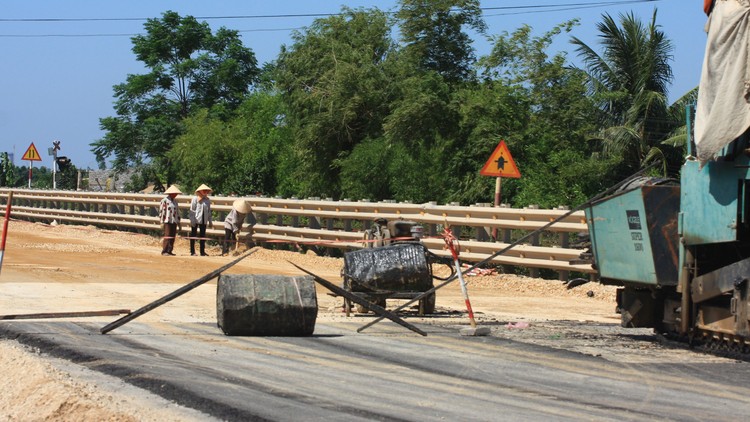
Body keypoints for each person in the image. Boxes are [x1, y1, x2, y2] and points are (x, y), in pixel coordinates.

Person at [189, 184, 213, 256]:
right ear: (200, 191)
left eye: (206, 191)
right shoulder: (195, 199)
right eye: (204, 190)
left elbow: (209, 211)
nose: (205, 192)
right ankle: (192, 251)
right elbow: (192, 210)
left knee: (203, 236)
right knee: (193, 235)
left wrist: (210, 221)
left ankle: (202, 251)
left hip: (204, 220)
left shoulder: (207, 200)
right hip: (196, 219)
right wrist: (192, 220)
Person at [159, 185, 182, 256]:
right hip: (167, 220)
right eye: (175, 193)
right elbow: (162, 211)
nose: (176, 195)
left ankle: (170, 250)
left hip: (174, 220)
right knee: (167, 235)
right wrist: (162, 221)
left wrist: (179, 222)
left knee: (172, 235)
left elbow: (177, 211)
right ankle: (164, 250)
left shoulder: (175, 201)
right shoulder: (165, 201)